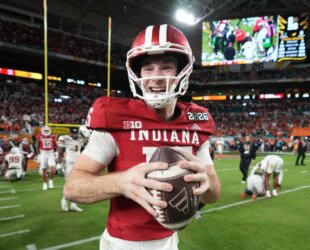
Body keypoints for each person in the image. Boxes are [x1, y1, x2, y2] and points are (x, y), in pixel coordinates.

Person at [64, 24, 221, 249]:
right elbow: (72, 188)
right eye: (148, 69)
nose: (155, 78)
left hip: (170, 240)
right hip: (123, 244)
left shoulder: (197, 121)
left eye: (166, 67)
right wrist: (121, 181)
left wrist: (208, 183)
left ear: (182, 72)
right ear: (138, 74)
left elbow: (213, 196)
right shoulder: (115, 116)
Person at [57, 127, 89, 212]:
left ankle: (73, 205)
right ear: (69, 133)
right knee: (69, 184)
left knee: (77, 184)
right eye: (73, 133)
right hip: (69, 165)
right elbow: (59, 153)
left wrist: (86, 134)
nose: (75, 135)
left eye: (76, 133)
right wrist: (58, 166)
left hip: (78, 163)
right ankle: (64, 200)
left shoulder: (81, 138)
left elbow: (88, 142)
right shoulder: (64, 139)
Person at [35, 125, 57, 190]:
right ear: (42, 131)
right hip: (43, 153)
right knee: (44, 170)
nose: (46, 132)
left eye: (47, 130)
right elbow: (36, 146)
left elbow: (57, 144)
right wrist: (38, 155)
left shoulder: (53, 136)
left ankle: (50, 181)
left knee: (52, 168)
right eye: (45, 130)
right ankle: (44, 184)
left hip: (51, 153)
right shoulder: (39, 136)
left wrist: (56, 152)